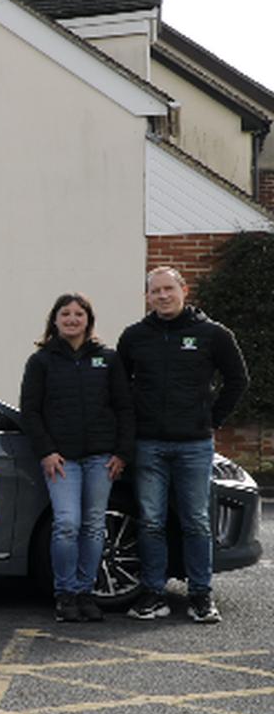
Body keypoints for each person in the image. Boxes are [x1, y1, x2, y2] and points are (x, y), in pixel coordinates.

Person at [116, 266, 249, 623]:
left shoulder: (213, 334)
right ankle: (153, 594)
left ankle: (201, 596)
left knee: (196, 522)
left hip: (194, 445)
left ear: (184, 290)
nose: (162, 296)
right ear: (147, 297)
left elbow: (238, 379)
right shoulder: (133, 337)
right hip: (149, 446)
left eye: (168, 289)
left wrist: (212, 420)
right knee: (151, 522)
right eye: (155, 291)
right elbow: (120, 388)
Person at [19, 292, 133, 623]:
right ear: (54, 320)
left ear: (89, 320)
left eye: (78, 314)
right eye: (65, 314)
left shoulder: (108, 359)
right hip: (61, 459)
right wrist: (46, 451)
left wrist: (122, 452)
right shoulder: (40, 361)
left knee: (94, 527)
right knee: (67, 525)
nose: (72, 319)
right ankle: (65, 594)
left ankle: (86, 593)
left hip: (101, 459)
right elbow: (31, 411)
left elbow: (124, 407)